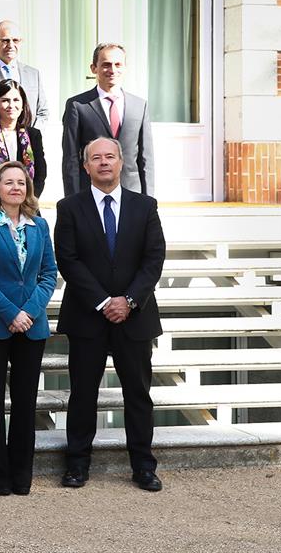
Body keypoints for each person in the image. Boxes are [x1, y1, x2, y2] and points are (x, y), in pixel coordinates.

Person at [55, 137, 166, 492]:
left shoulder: (145, 206)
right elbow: (68, 260)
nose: (104, 163)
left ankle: (144, 466)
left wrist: (129, 300)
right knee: (83, 393)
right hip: (88, 316)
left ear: (121, 162)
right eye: (96, 158)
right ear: (85, 166)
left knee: (137, 393)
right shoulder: (69, 207)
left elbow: (154, 258)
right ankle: (77, 464)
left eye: (110, 157)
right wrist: (104, 302)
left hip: (135, 316)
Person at [0, 161, 57, 497]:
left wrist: (28, 313)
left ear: (28, 190)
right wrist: (10, 313)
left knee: (25, 403)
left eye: (21, 182)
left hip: (31, 328)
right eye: (9, 182)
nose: (16, 187)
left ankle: (22, 475)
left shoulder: (40, 226)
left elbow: (49, 274)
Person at [62, 43, 154, 196]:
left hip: (131, 192)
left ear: (125, 68)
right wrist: (72, 201)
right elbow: (70, 159)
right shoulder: (78, 106)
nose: (112, 70)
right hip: (90, 193)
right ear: (93, 68)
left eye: (118, 65)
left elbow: (146, 159)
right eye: (106, 65)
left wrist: (149, 200)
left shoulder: (139, 106)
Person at [0, 79, 47, 219]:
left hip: (27, 209)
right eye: (5, 100)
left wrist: (26, 200)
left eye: (16, 100)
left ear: (23, 105)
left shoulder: (34, 135)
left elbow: (40, 175)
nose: (11, 105)